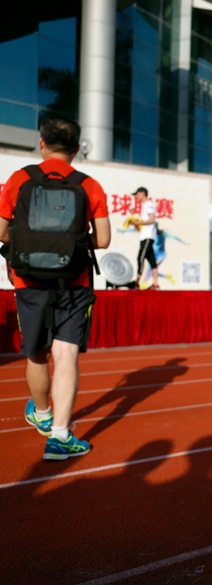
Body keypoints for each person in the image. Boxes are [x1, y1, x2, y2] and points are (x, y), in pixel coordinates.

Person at [0, 115, 111, 459]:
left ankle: (42, 413)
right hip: (74, 282)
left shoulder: (20, 180)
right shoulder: (89, 185)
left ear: (42, 143)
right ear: (77, 149)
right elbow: (103, 240)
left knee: (36, 351)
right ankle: (60, 437)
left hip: (27, 280)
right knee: (66, 353)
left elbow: (2, 232)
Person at [134, 186, 159, 290]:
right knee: (151, 260)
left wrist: (139, 222)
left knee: (140, 257)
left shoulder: (148, 204)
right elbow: (142, 225)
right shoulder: (144, 205)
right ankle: (155, 283)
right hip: (145, 236)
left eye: (137, 194)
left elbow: (151, 220)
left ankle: (137, 281)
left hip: (148, 237)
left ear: (142, 193)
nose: (136, 196)